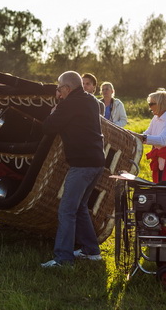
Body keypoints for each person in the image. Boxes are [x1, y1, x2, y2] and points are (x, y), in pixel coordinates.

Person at [41, 71, 105, 267]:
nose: (58, 93)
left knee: (67, 210)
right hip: (97, 161)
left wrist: (53, 112)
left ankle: (63, 258)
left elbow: (49, 127)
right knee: (80, 207)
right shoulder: (91, 100)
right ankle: (91, 251)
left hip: (82, 164)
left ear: (67, 88)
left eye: (59, 89)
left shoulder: (69, 104)